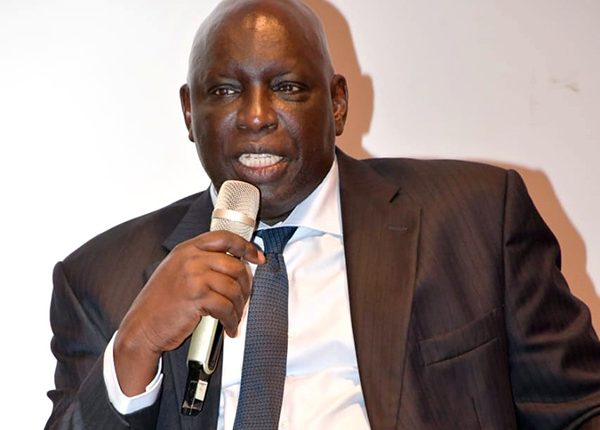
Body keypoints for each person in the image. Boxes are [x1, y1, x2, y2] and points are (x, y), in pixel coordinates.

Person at [46, 0, 600, 428]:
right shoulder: (101, 279)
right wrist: (135, 344)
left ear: (337, 103)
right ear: (190, 113)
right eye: (226, 90)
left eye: (287, 87)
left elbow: (579, 412)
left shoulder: (475, 220)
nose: (256, 117)